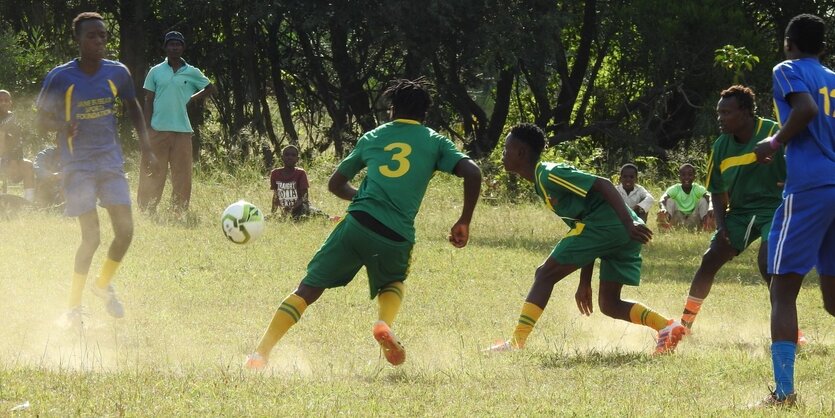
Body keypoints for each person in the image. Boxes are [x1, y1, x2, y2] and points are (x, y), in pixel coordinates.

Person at [245, 78, 482, 369]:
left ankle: (260, 354)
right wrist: (464, 220)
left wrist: (368, 199)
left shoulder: (373, 136)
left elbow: (335, 184)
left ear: (392, 110)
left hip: (357, 223)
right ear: (425, 114)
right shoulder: (435, 141)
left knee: (307, 289)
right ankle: (384, 324)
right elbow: (472, 172)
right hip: (396, 235)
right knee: (393, 282)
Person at [486, 123, 685, 355]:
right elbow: (582, 221)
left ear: (520, 152)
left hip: (614, 226)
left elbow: (603, 183)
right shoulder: (541, 183)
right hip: (619, 231)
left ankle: (516, 343)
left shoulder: (549, 173)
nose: (502, 154)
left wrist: (627, 223)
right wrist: (584, 281)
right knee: (609, 304)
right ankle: (666, 327)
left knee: (544, 274)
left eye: (506, 149)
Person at [36, 12, 156, 328]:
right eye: (92, 36)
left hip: (110, 163)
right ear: (78, 40)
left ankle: (101, 285)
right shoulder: (61, 77)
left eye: (103, 35)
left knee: (126, 232)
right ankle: (73, 308)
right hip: (77, 166)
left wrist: (146, 148)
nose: (99, 41)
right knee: (91, 238)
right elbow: (39, 122)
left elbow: (134, 108)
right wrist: (62, 125)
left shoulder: (118, 73)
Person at [752, 13, 835, 407]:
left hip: (810, 188)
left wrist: (773, 143)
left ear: (789, 43)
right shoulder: (834, 79)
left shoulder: (786, 69)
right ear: (822, 46)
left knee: (781, 287)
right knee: (833, 300)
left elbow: (804, 110)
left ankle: (784, 394)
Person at [678, 85, 792, 334]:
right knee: (710, 258)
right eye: (719, 113)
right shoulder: (720, 146)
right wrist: (721, 226)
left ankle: (789, 330)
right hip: (739, 212)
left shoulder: (774, 132)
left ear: (746, 112)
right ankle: (683, 326)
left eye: (726, 113)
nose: (720, 118)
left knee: (768, 263)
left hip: (778, 207)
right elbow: (717, 190)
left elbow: (802, 160)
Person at [137, 30, 214, 214]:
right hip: (158, 129)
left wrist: (193, 98)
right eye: (171, 44)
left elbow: (210, 88)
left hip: (182, 131)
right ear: (165, 47)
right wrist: (147, 128)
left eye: (178, 44)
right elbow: (148, 100)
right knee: (154, 170)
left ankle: (178, 211)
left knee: (182, 174)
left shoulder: (191, 71)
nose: (174, 47)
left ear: (183, 47)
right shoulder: (155, 71)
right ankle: (147, 208)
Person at [270, 144, 328, 220]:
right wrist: (273, 213)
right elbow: (275, 196)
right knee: (269, 218)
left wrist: (291, 209)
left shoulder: (300, 173)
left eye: (293, 155)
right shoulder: (275, 173)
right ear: (282, 157)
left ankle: (330, 218)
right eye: (287, 155)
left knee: (318, 216)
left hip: (300, 208)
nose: (290, 157)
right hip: (284, 210)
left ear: (297, 159)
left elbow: (304, 198)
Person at [0, 90, 36, 202]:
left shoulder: (13, 119)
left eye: (6, 100)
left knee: (28, 165)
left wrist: (15, 160)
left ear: (11, 102)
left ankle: (28, 203)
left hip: (10, 159)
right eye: (0, 101)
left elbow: (18, 142)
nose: (3, 103)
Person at [657, 164, 712, 230]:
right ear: (679, 177)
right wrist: (663, 209)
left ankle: (707, 225)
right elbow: (662, 199)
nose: (686, 177)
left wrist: (711, 207)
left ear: (694, 177)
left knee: (703, 200)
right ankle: (665, 225)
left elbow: (709, 197)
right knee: (669, 200)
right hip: (677, 220)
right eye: (683, 175)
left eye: (690, 175)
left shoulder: (698, 188)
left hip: (694, 220)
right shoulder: (675, 189)